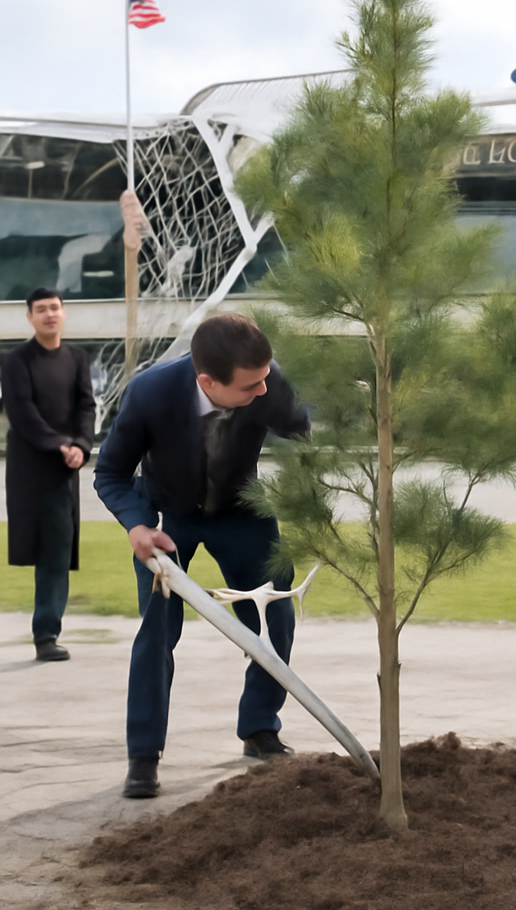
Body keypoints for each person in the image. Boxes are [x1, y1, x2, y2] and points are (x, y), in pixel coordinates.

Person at [94, 312, 310, 799]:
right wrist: (137, 526)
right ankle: (144, 756)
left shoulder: (265, 379)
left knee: (275, 615)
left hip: (241, 510)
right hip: (168, 518)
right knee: (157, 630)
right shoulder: (150, 393)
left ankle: (259, 728)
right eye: (250, 387)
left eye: (265, 380)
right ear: (207, 381)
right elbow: (109, 473)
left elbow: (302, 433)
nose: (263, 391)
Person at [2, 287, 95, 662]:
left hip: (65, 470)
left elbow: (86, 406)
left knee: (57, 551)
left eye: (55, 308)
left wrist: (83, 445)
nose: (49, 314)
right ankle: (44, 630)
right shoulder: (15, 361)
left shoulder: (76, 358)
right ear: (29, 317)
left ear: (63, 313)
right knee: (42, 548)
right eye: (41, 309)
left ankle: (46, 635)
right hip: (30, 468)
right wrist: (61, 444)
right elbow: (21, 413)